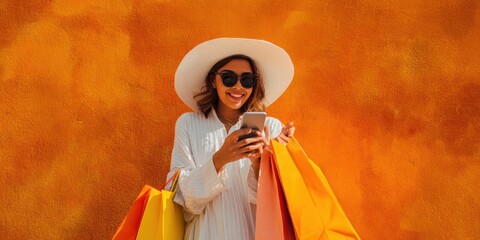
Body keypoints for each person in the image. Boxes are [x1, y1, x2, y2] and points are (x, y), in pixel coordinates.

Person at [168, 38, 295, 240]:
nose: (238, 86)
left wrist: (262, 163)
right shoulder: (188, 124)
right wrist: (220, 159)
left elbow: (282, 204)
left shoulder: (270, 128)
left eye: (247, 80)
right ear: (213, 80)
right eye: (228, 78)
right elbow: (179, 197)